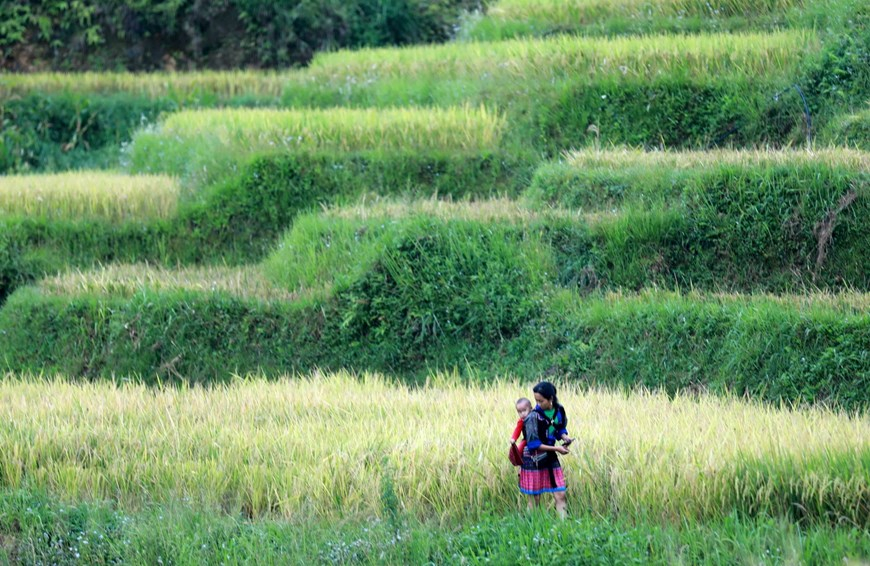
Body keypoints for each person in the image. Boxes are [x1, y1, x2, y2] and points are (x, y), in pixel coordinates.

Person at [519, 381, 574, 519]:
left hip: (550, 456)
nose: (537, 404)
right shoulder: (532, 417)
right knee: (535, 498)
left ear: (551, 399)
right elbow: (533, 444)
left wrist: (565, 437)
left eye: (541, 400)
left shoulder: (559, 410)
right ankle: (530, 527)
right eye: (536, 400)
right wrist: (557, 448)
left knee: (560, 494)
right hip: (533, 458)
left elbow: (558, 428)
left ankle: (564, 528)